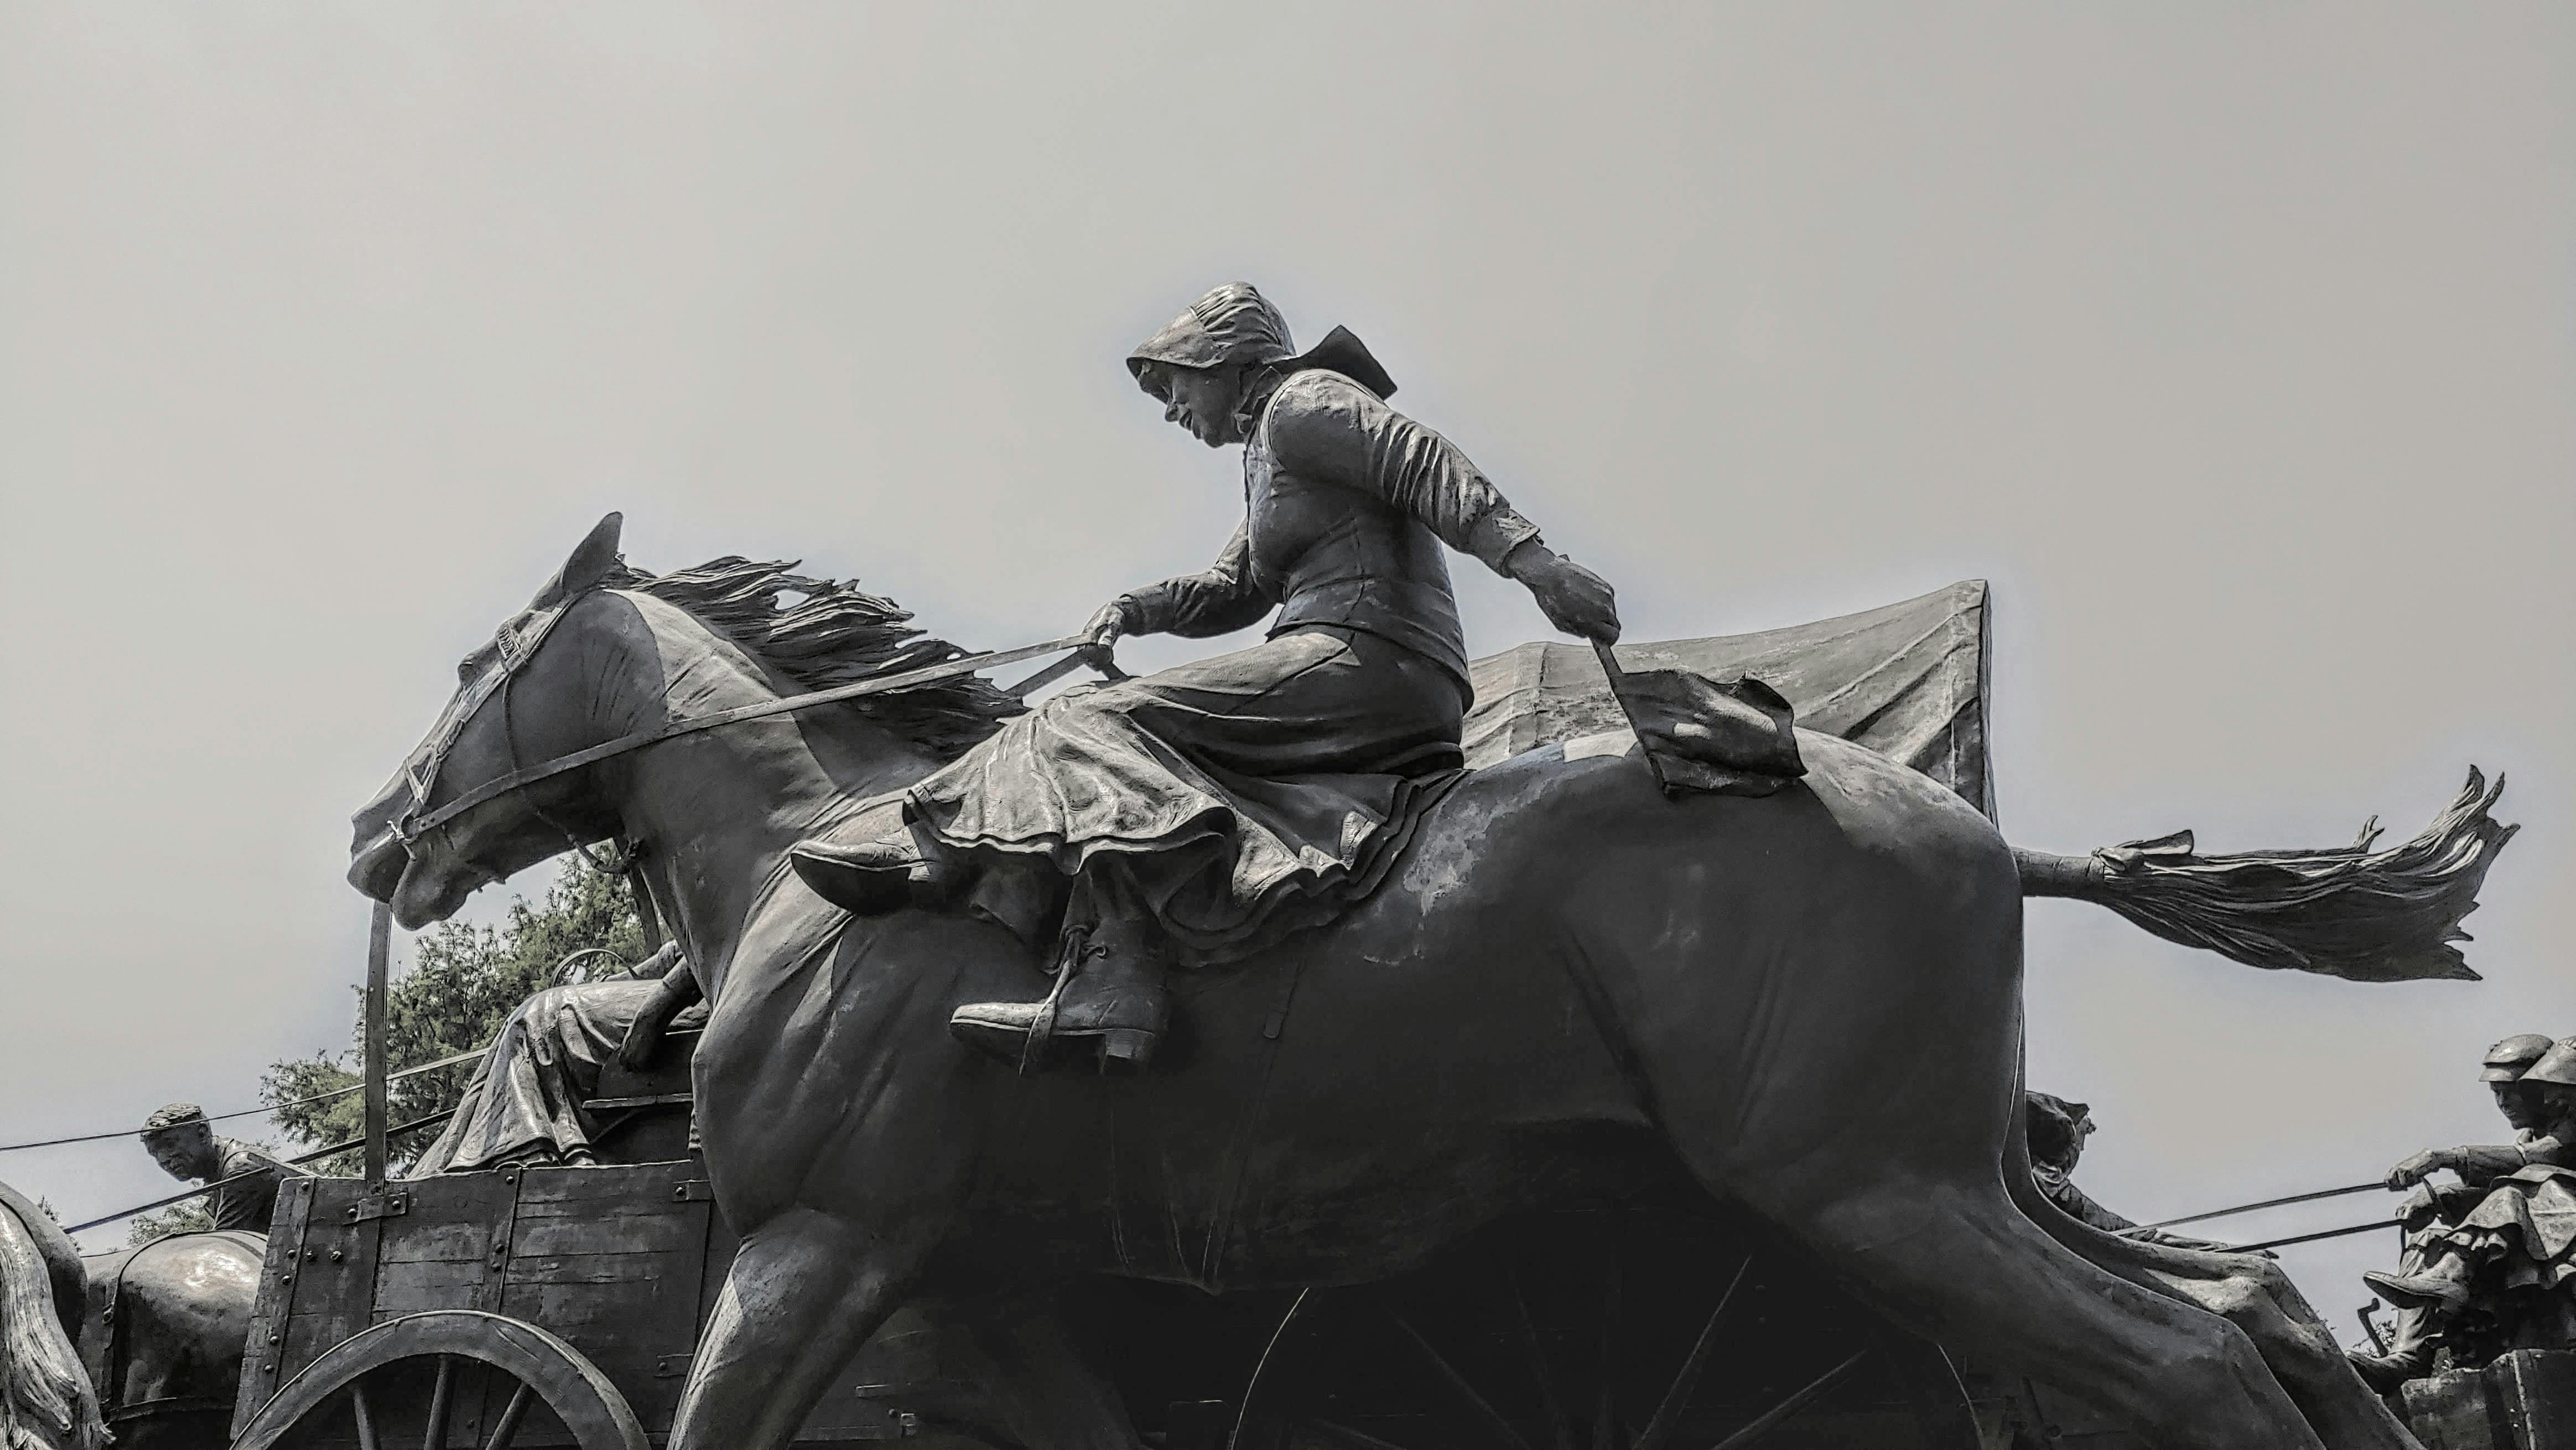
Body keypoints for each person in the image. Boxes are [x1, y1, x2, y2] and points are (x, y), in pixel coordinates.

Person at [792, 282, 1621, 1073]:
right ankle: (1011, 886)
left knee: (1078, 725)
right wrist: (1134, 608)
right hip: (1371, 665)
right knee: (1095, 721)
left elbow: (1415, 456)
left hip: (1366, 658)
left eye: (1177, 388)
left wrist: (1536, 563)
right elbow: (1233, 590)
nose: (1174, 411)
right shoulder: (1269, 451)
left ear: (1225, 360)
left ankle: (1098, 965)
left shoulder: (1303, 405)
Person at [2349, 1032, 2569, 1390]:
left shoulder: (2568, 1125)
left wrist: (2443, 1158)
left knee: (2513, 1192)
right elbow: (2501, 1184)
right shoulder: (2528, 1136)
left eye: (2510, 1091)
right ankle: (2408, 1357)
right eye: (2495, 1093)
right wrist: (2443, 1199)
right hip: (2546, 1224)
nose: (2503, 1103)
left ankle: (2450, 1277)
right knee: (2428, 1240)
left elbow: (2536, 1164)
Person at [412, 942, 705, 1174]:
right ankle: (449, 1158)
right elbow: (685, 947)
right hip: (692, 976)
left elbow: (728, 938)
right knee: (540, 1011)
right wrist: (613, 983)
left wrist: (659, 1007)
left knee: (543, 1017)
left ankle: (533, 1152)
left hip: (711, 991)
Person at [2025, 1092, 2238, 1251]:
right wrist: (2215, 1250)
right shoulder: (2046, 1181)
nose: (2078, 1150)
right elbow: (2134, 1235)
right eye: (2077, 1141)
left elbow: (2135, 1235)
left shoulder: (2047, 1179)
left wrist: (2215, 1249)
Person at [137, 1104, 307, 1234]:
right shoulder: (219, 1178)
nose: (164, 1159)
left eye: (170, 1145)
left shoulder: (240, 1169)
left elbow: (223, 1249)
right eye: (155, 1154)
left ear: (202, 1133)